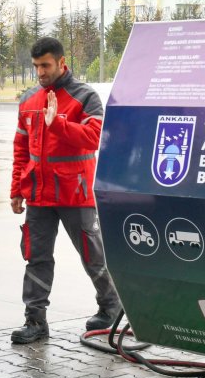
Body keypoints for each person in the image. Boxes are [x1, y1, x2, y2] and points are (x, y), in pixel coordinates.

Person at [9, 37, 122, 344]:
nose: (40, 72)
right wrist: (17, 188)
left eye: (45, 65)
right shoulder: (29, 98)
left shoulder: (85, 96)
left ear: (61, 62)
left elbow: (93, 137)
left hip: (75, 193)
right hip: (39, 196)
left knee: (93, 256)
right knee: (36, 258)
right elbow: (21, 147)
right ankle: (35, 321)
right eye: (36, 66)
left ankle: (111, 308)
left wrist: (56, 124)